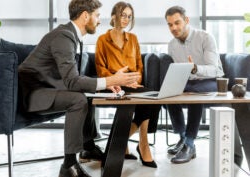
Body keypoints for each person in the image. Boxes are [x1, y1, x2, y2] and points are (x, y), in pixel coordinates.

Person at [18, 0, 141, 176]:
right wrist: (109, 80)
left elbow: (74, 79)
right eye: (97, 15)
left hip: (47, 88)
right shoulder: (64, 36)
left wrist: (107, 82)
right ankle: (68, 165)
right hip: (33, 95)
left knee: (89, 92)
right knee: (78, 99)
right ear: (85, 16)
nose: (99, 20)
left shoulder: (72, 35)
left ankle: (88, 146)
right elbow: (72, 82)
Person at [95, 1, 160, 168]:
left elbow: (139, 65)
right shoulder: (103, 40)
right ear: (114, 16)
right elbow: (101, 69)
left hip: (132, 84)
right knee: (149, 99)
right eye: (123, 15)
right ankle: (140, 146)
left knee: (153, 97)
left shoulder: (133, 39)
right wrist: (117, 79)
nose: (126, 19)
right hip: (113, 84)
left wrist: (134, 81)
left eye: (129, 17)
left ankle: (124, 144)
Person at [164, 6, 224, 164]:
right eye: (170, 25)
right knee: (168, 92)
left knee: (193, 93)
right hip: (188, 82)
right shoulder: (172, 45)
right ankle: (183, 138)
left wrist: (196, 68)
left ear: (187, 20)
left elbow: (215, 69)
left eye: (177, 23)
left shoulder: (205, 37)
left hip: (210, 81)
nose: (174, 28)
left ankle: (189, 144)